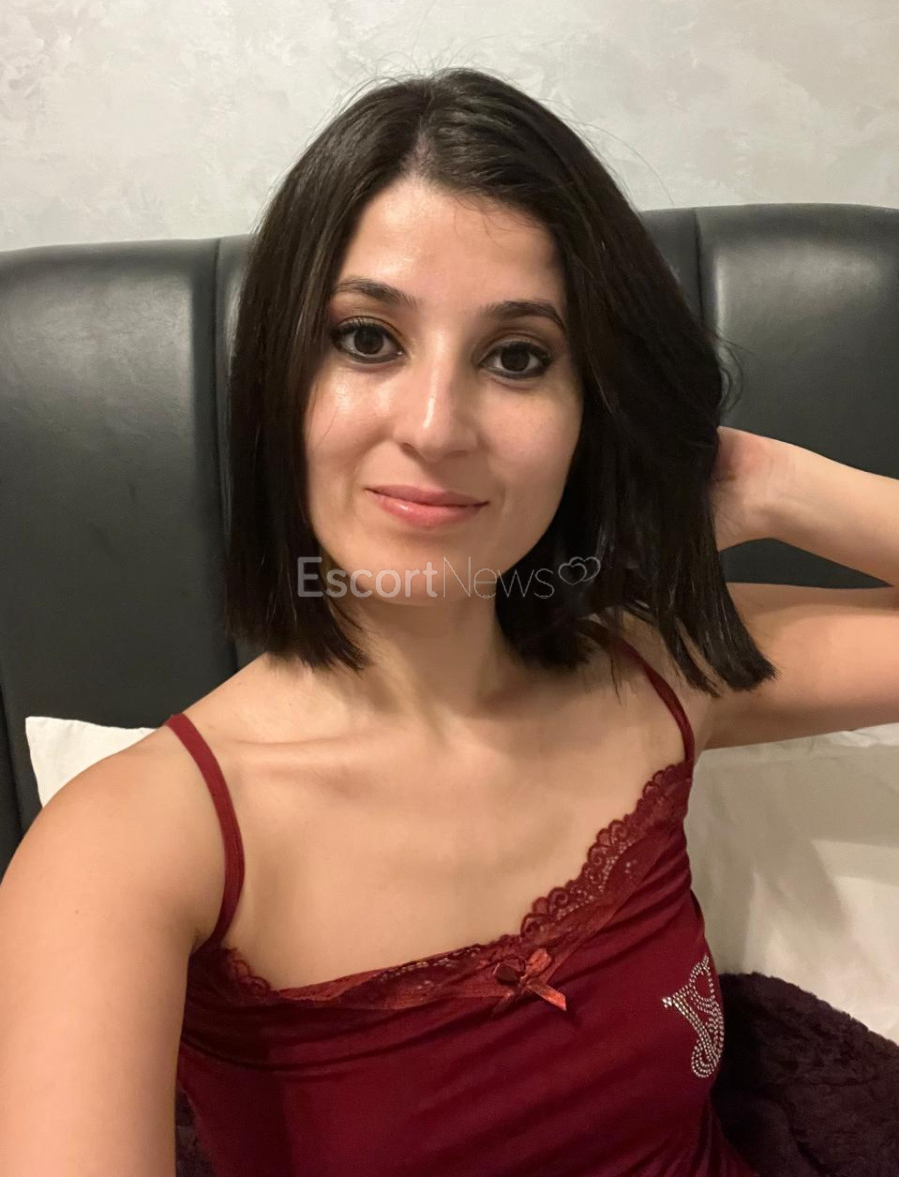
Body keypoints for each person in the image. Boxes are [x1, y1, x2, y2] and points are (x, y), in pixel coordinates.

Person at [0, 67, 772, 1175]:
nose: (435, 426)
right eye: (367, 339)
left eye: (517, 357)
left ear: (588, 413)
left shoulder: (657, 671)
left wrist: (763, 485)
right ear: (279, 379)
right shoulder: (131, 846)